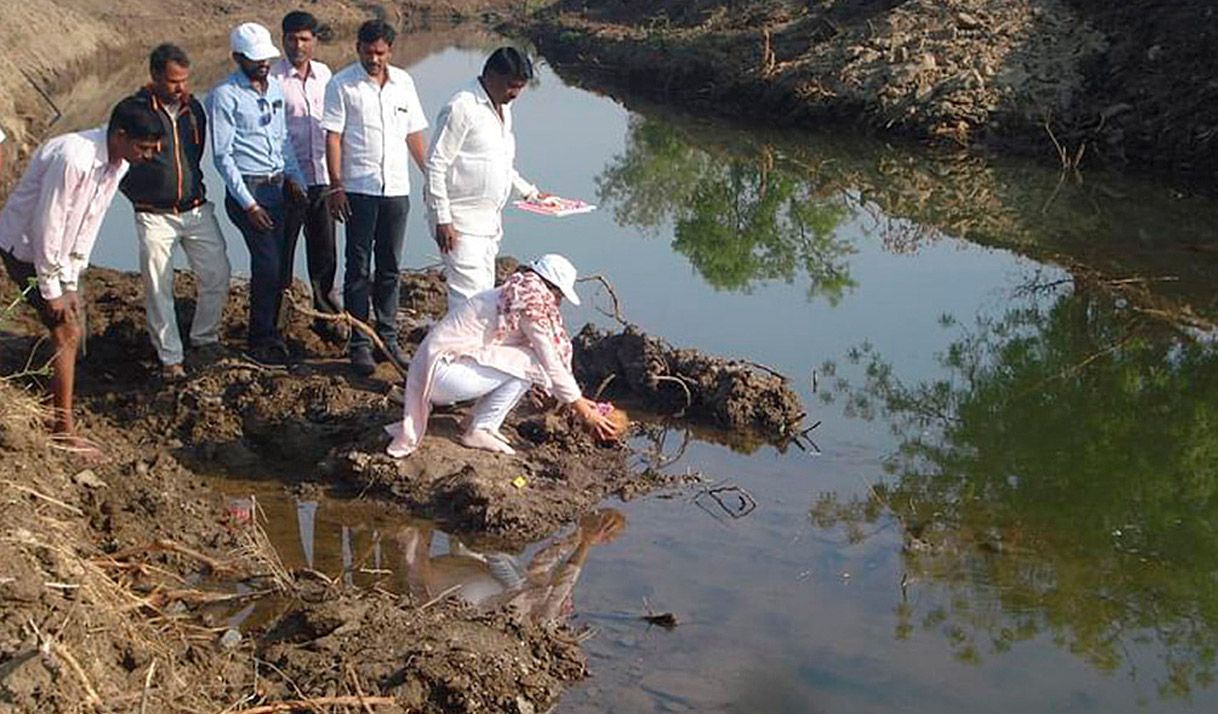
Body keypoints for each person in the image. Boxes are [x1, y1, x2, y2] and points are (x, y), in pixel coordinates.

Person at [0, 97, 163, 457]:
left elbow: (89, 222)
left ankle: (54, 408)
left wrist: (72, 281)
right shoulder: (74, 158)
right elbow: (49, 223)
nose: (149, 156)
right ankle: (62, 429)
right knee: (67, 332)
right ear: (120, 135)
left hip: (56, 252)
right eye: (144, 147)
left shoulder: (117, 163)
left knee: (71, 327)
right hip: (25, 246)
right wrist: (52, 288)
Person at [385, 254, 625, 457]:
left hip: (440, 371)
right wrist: (583, 410)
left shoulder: (515, 294)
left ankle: (480, 425)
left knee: (531, 361)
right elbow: (549, 361)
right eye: (560, 295)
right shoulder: (528, 303)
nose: (559, 302)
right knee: (534, 362)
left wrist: (579, 401)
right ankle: (480, 428)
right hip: (441, 374)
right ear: (549, 287)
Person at [322, 19, 428, 376]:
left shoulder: (404, 83)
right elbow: (333, 137)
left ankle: (388, 338)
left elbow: (414, 133)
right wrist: (336, 185)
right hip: (358, 189)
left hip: (396, 189)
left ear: (390, 51)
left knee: (390, 267)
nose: (374, 59)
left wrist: (430, 174)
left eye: (380, 52)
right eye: (368, 52)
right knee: (358, 268)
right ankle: (360, 342)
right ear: (358, 48)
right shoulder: (342, 84)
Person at [121, 43, 232, 382]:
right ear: (155, 77)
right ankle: (170, 356)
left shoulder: (193, 110)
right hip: (154, 213)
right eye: (174, 82)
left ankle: (204, 338)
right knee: (158, 285)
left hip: (195, 209)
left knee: (217, 273)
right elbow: (118, 156)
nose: (181, 88)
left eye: (185, 80)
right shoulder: (134, 111)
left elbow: (194, 156)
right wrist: (141, 192)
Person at [209, 22, 307, 367]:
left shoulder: (276, 90)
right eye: (255, 58)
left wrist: (296, 179)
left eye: (265, 57)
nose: (263, 63)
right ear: (237, 57)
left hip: (278, 185)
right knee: (266, 264)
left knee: (281, 267)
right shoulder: (224, 96)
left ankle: (274, 333)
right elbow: (222, 157)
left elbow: (283, 141)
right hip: (249, 190)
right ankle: (259, 338)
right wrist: (247, 203)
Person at [426, 47, 549, 309]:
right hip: (459, 223)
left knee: (482, 297)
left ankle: (466, 349)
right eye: (511, 86)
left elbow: (501, 164)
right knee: (469, 304)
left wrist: (531, 194)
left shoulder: (504, 108)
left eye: (520, 87)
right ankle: (457, 350)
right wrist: (442, 219)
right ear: (491, 75)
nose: (515, 93)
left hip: (488, 224)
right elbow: (435, 164)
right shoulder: (462, 107)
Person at [271, 11, 342, 342]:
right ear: (282, 39)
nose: (298, 45)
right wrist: (289, 176)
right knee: (281, 256)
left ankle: (325, 318)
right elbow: (270, 135)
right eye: (292, 38)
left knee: (325, 254)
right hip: (287, 182)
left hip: (323, 178)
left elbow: (335, 127)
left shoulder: (326, 75)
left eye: (304, 39)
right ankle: (277, 325)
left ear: (315, 40)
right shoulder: (271, 79)